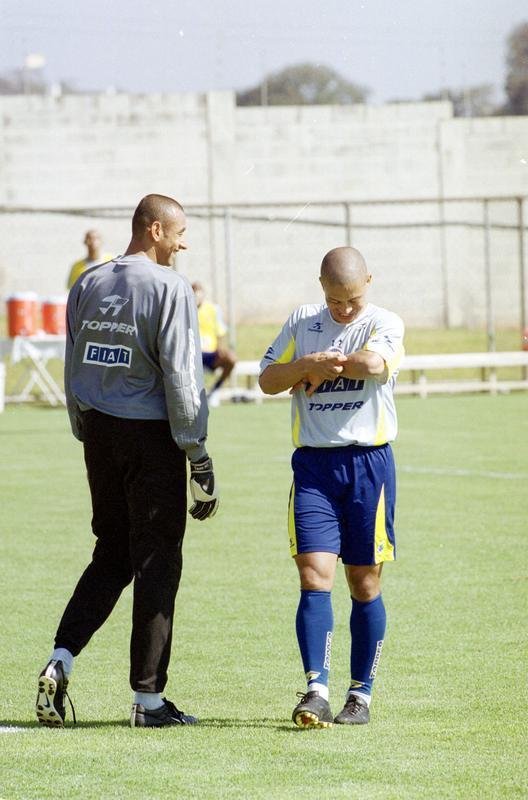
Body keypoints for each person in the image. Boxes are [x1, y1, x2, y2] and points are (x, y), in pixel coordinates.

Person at [36, 194, 219, 729]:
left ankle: (60, 658)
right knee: (156, 562)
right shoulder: (169, 288)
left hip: (98, 433)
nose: (184, 243)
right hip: (151, 438)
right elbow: (183, 380)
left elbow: (73, 363)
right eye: (180, 232)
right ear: (155, 229)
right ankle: (148, 699)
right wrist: (198, 454)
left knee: (112, 554)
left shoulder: (87, 282)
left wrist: (85, 428)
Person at [259, 246, 404, 728]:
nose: (343, 309)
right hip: (314, 471)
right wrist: (304, 366)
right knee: (313, 575)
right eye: (334, 300)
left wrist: (325, 365)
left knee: (364, 582)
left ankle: (360, 695)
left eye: (352, 300)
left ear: (369, 282)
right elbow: (266, 378)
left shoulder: (386, 322)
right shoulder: (302, 321)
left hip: (369, 466)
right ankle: (316, 690)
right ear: (320, 286)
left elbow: (374, 365)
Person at [192, 281, 236, 405]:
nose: (197, 298)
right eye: (194, 295)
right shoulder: (184, 309)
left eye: (199, 295)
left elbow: (220, 332)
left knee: (231, 359)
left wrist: (220, 348)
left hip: (210, 354)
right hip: (193, 354)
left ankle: (215, 390)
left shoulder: (212, 309)